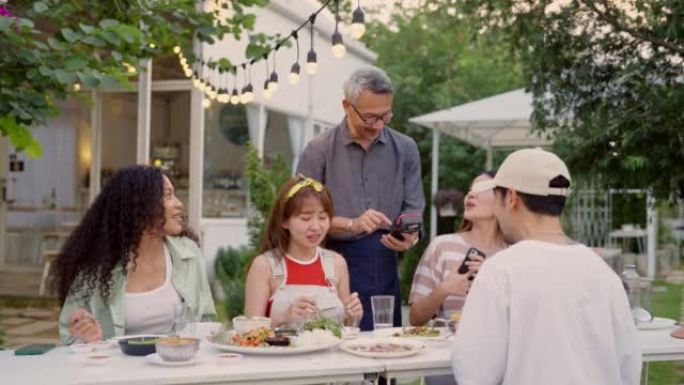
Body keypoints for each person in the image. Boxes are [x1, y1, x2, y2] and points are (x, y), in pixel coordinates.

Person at [451, 148, 641, 385]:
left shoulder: (500, 270)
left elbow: (474, 370)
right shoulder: (603, 273)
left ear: (511, 198)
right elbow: (629, 365)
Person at [297, 66, 424, 331]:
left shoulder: (406, 148)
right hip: (330, 262)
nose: (378, 125)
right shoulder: (319, 150)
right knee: (335, 354)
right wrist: (352, 223)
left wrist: (411, 235)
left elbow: (414, 207)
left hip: (384, 260)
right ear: (346, 106)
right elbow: (298, 218)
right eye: (369, 118)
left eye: (385, 116)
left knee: (383, 352)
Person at [50, 165, 216, 344]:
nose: (179, 203)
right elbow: (69, 334)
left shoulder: (188, 254)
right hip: (117, 369)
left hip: (175, 365)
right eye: (168, 195)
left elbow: (207, 321)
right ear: (140, 206)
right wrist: (91, 340)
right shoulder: (97, 266)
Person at [244, 175, 363, 328]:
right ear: (284, 221)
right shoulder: (264, 265)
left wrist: (353, 317)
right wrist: (283, 318)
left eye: (322, 217)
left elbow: (346, 328)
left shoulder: (336, 263)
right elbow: (248, 332)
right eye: (305, 218)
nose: (316, 226)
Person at [409, 171, 505, 326]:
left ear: (503, 201)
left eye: (482, 189)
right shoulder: (442, 247)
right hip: (446, 349)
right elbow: (415, 319)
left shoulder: (513, 254)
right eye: (470, 190)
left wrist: (489, 281)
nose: (471, 195)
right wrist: (443, 289)